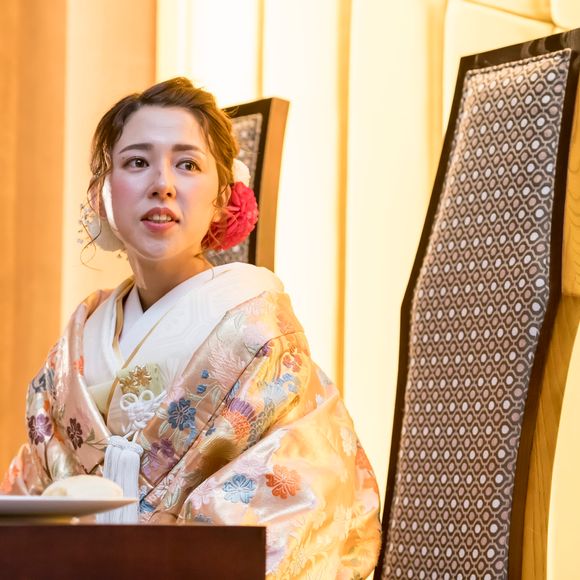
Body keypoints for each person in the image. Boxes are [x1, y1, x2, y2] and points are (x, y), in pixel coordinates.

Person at [1, 78, 381, 578]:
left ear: (223, 198)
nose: (162, 183)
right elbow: (30, 493)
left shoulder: (259, 335)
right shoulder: (81, 339)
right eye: (136, 162)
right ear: (102, 193)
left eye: (187, 164)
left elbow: (296, 502)